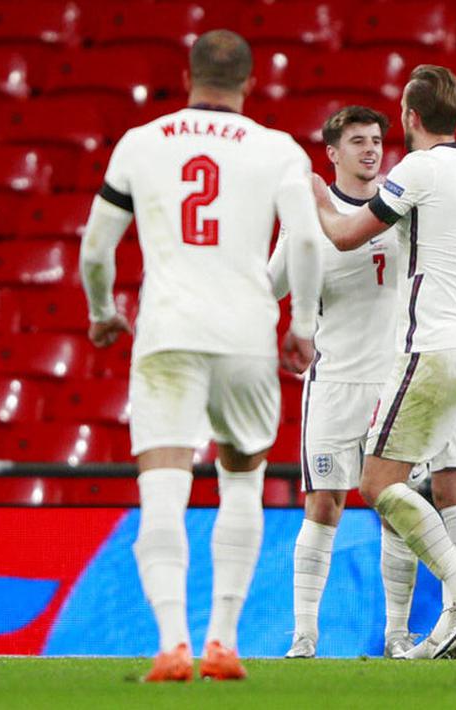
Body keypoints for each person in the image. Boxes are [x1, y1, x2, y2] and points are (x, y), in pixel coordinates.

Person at [79, 30, 323, 682]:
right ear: (250, 81)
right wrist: (300, 324)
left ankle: (171, 644)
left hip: (167, 334)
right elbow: (304, 240)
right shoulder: (277, 150)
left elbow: (96, 249)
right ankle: (222, 641)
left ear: (187, 73)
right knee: (240, 480)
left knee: (162, 489)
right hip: (245, 335)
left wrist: (102, 312)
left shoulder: (143, 141)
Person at [311, 65, 456, 659]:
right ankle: (448, 630)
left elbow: (347, 235)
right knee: (450, 480)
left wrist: (314, 201)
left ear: (409, 117)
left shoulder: (418, 168)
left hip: (432, 344)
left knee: (377, 482)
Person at [268, 106, 427, 660]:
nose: (370, 149)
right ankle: (305, 635)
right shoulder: (309, 215)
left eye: (377, 140)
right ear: (331, 153)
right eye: (357, 141)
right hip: (334, 381)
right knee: (324, 504)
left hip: (394, 381)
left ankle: (398, 634)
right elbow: (272, 286)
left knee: (396, 504)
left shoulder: (404, 204)